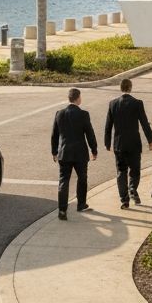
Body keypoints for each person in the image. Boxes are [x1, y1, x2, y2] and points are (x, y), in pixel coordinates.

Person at [103, 78, 152, 209]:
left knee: (121, 172)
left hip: (119, 145)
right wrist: (150, 140)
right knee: (135, 170)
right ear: (130, 88)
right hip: (134, 144)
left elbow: (108, 126)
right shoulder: (137, 103)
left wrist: (107, 143)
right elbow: (144, 123)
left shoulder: (113, 104)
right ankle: (132, 189)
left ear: (120, 88)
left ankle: (124, 200)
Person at [51, 87, 97, 220]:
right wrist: (94, 150)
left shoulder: (59, 113)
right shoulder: (83, 114)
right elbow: (90, 134)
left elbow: (54, 135)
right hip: (80, 153)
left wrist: (54, 151)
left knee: (63, 180)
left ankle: (62, 210)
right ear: (78, 98)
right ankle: (81, 204)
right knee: (82, 178)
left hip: (64, 153)